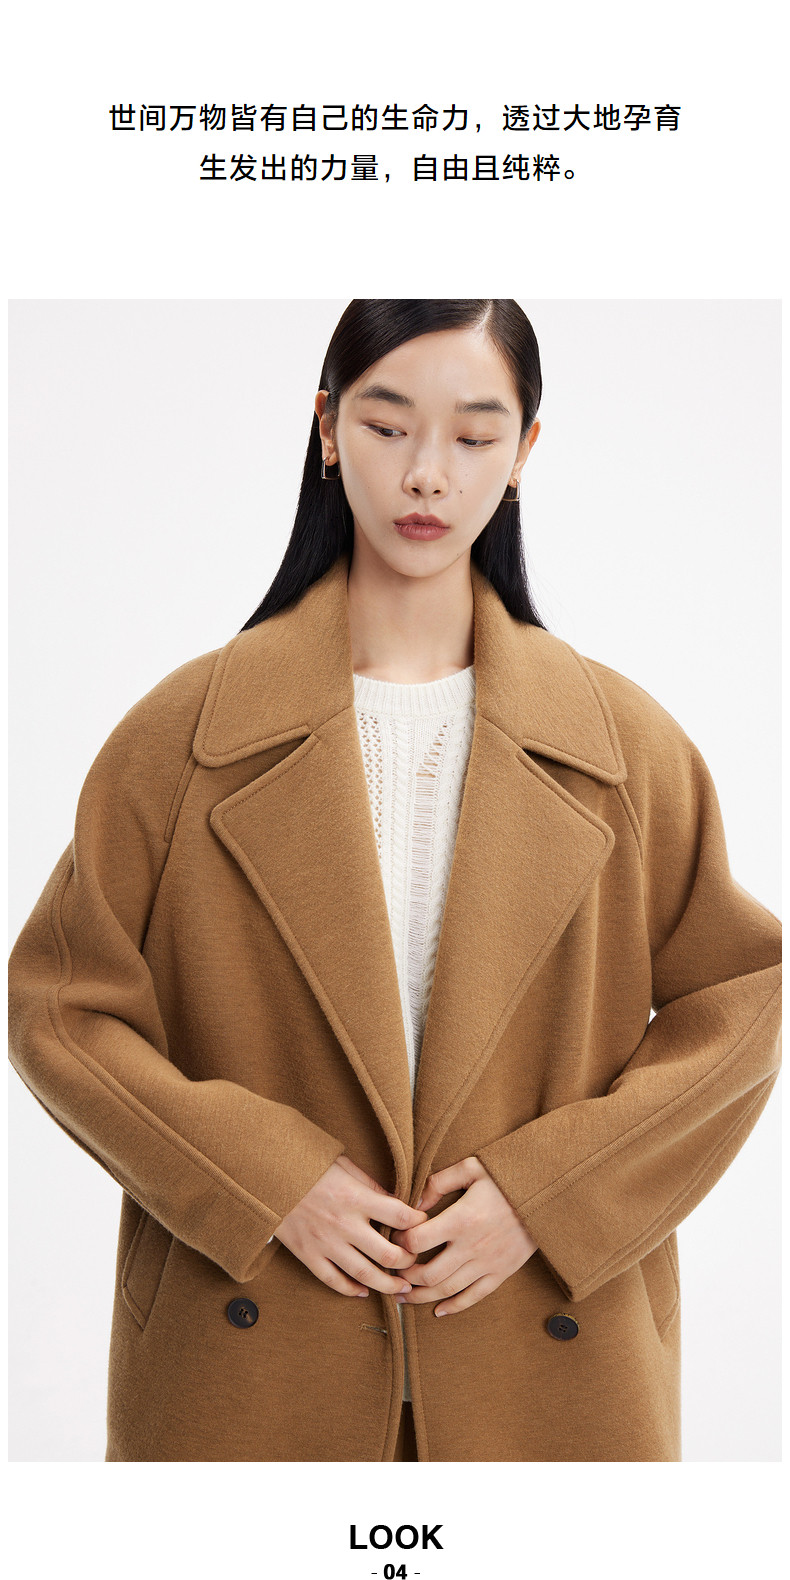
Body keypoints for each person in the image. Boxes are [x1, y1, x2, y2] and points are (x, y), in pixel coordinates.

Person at [8, 298, 781, 1463]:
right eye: (386, 425)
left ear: (524, 449)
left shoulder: (624, 746)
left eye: (473, 434)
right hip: (249, 1346)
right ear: (326, 429)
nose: (428, 472)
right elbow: (60, 1008)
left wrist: (549, 1194)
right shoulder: (181, 737)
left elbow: (741, 999)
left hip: (547, 1348)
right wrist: (262, 1178)